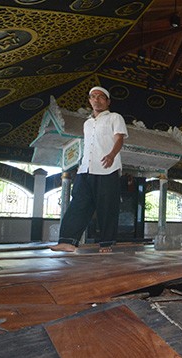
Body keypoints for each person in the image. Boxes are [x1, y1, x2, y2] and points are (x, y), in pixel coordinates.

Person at [51, 86, 127, 253]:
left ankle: (106, 243)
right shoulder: (87, 123)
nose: (97, 100)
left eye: (101, 97)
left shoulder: (115, 117)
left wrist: (112, 155)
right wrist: (81, 165)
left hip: (107, 168)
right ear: (89, 100)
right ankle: (68, 241)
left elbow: (119, 139)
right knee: (78, 203)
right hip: (85, 169)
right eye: (93, 97)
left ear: (108, 101)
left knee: (107, 207)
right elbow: (88, 146)